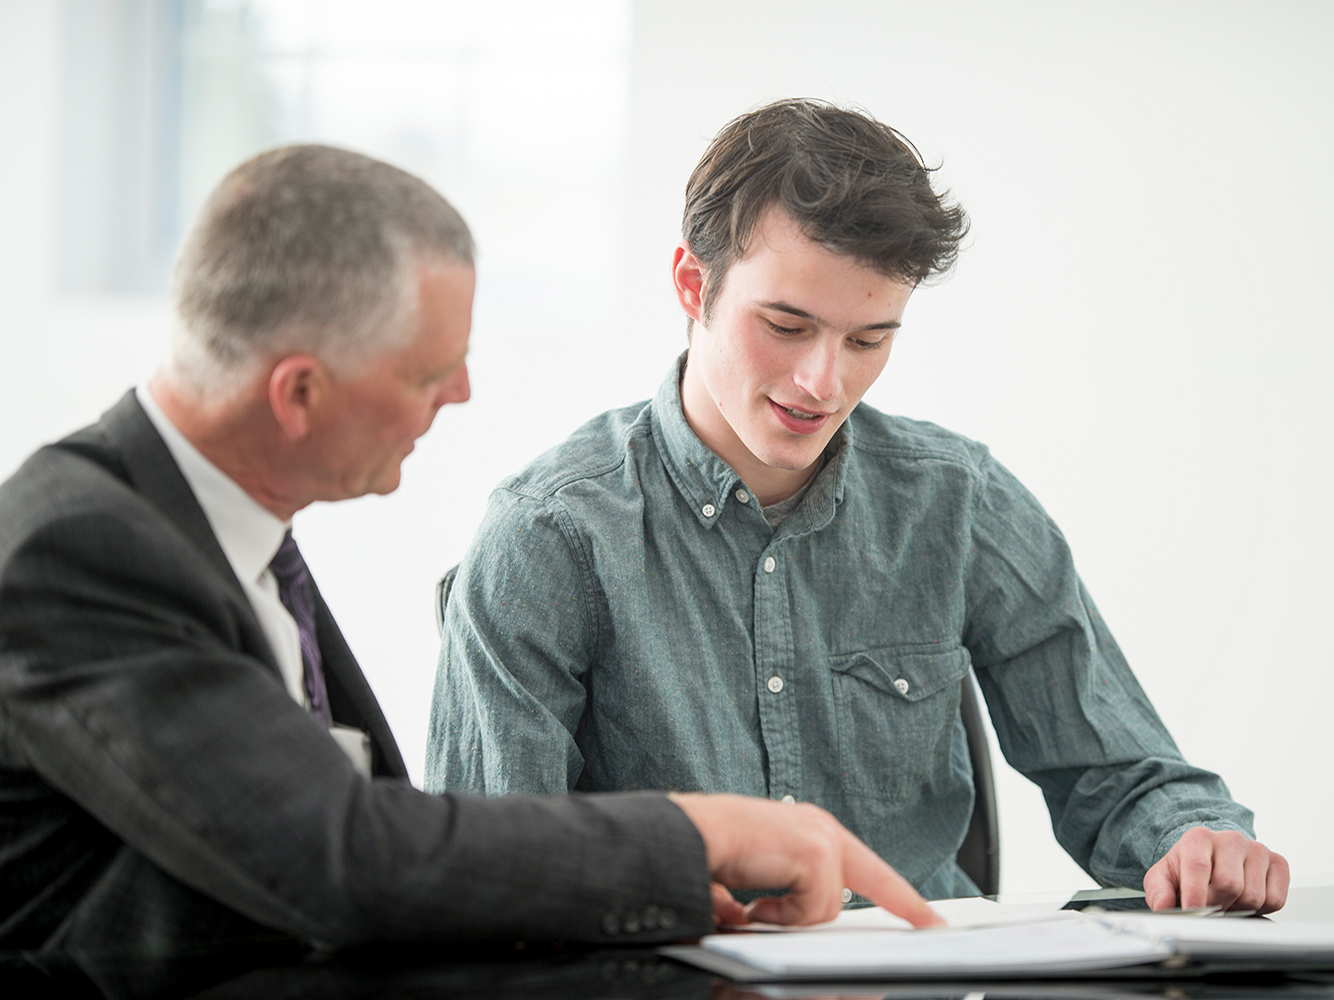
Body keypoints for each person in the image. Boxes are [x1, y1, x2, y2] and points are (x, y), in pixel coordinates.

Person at [0, 144, 940, 955]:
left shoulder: (218, 534)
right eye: (430, 371)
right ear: (299, 394)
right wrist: (701, 836)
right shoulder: (78, 553)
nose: (461, 394)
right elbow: (344, 856)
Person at [426, 100, 1290, 913]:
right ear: (693, 284)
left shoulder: (958, 501)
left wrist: (1195, 844)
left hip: (926, 979)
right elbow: (491, 879)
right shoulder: (550, 534)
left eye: (869, 339)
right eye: (786, 326)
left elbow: (1122, 777)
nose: (823, 382)